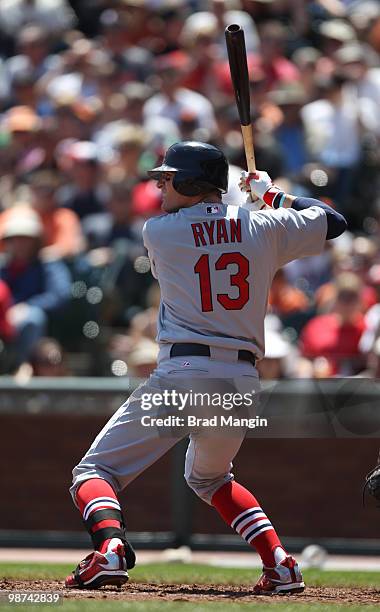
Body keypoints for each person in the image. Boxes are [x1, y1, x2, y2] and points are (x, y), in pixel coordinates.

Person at [65, 141, 346, 594]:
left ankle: (111, 549)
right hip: (241, 381)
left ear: (194, 183)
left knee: (93, 473)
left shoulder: (159, 232)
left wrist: (248, 211)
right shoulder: (264, 224)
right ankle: (280, 563)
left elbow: (205, 239)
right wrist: (273, 197)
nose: (160, 185)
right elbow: (334, 222)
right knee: (210, 477)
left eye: (170, 178)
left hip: (184, 372)